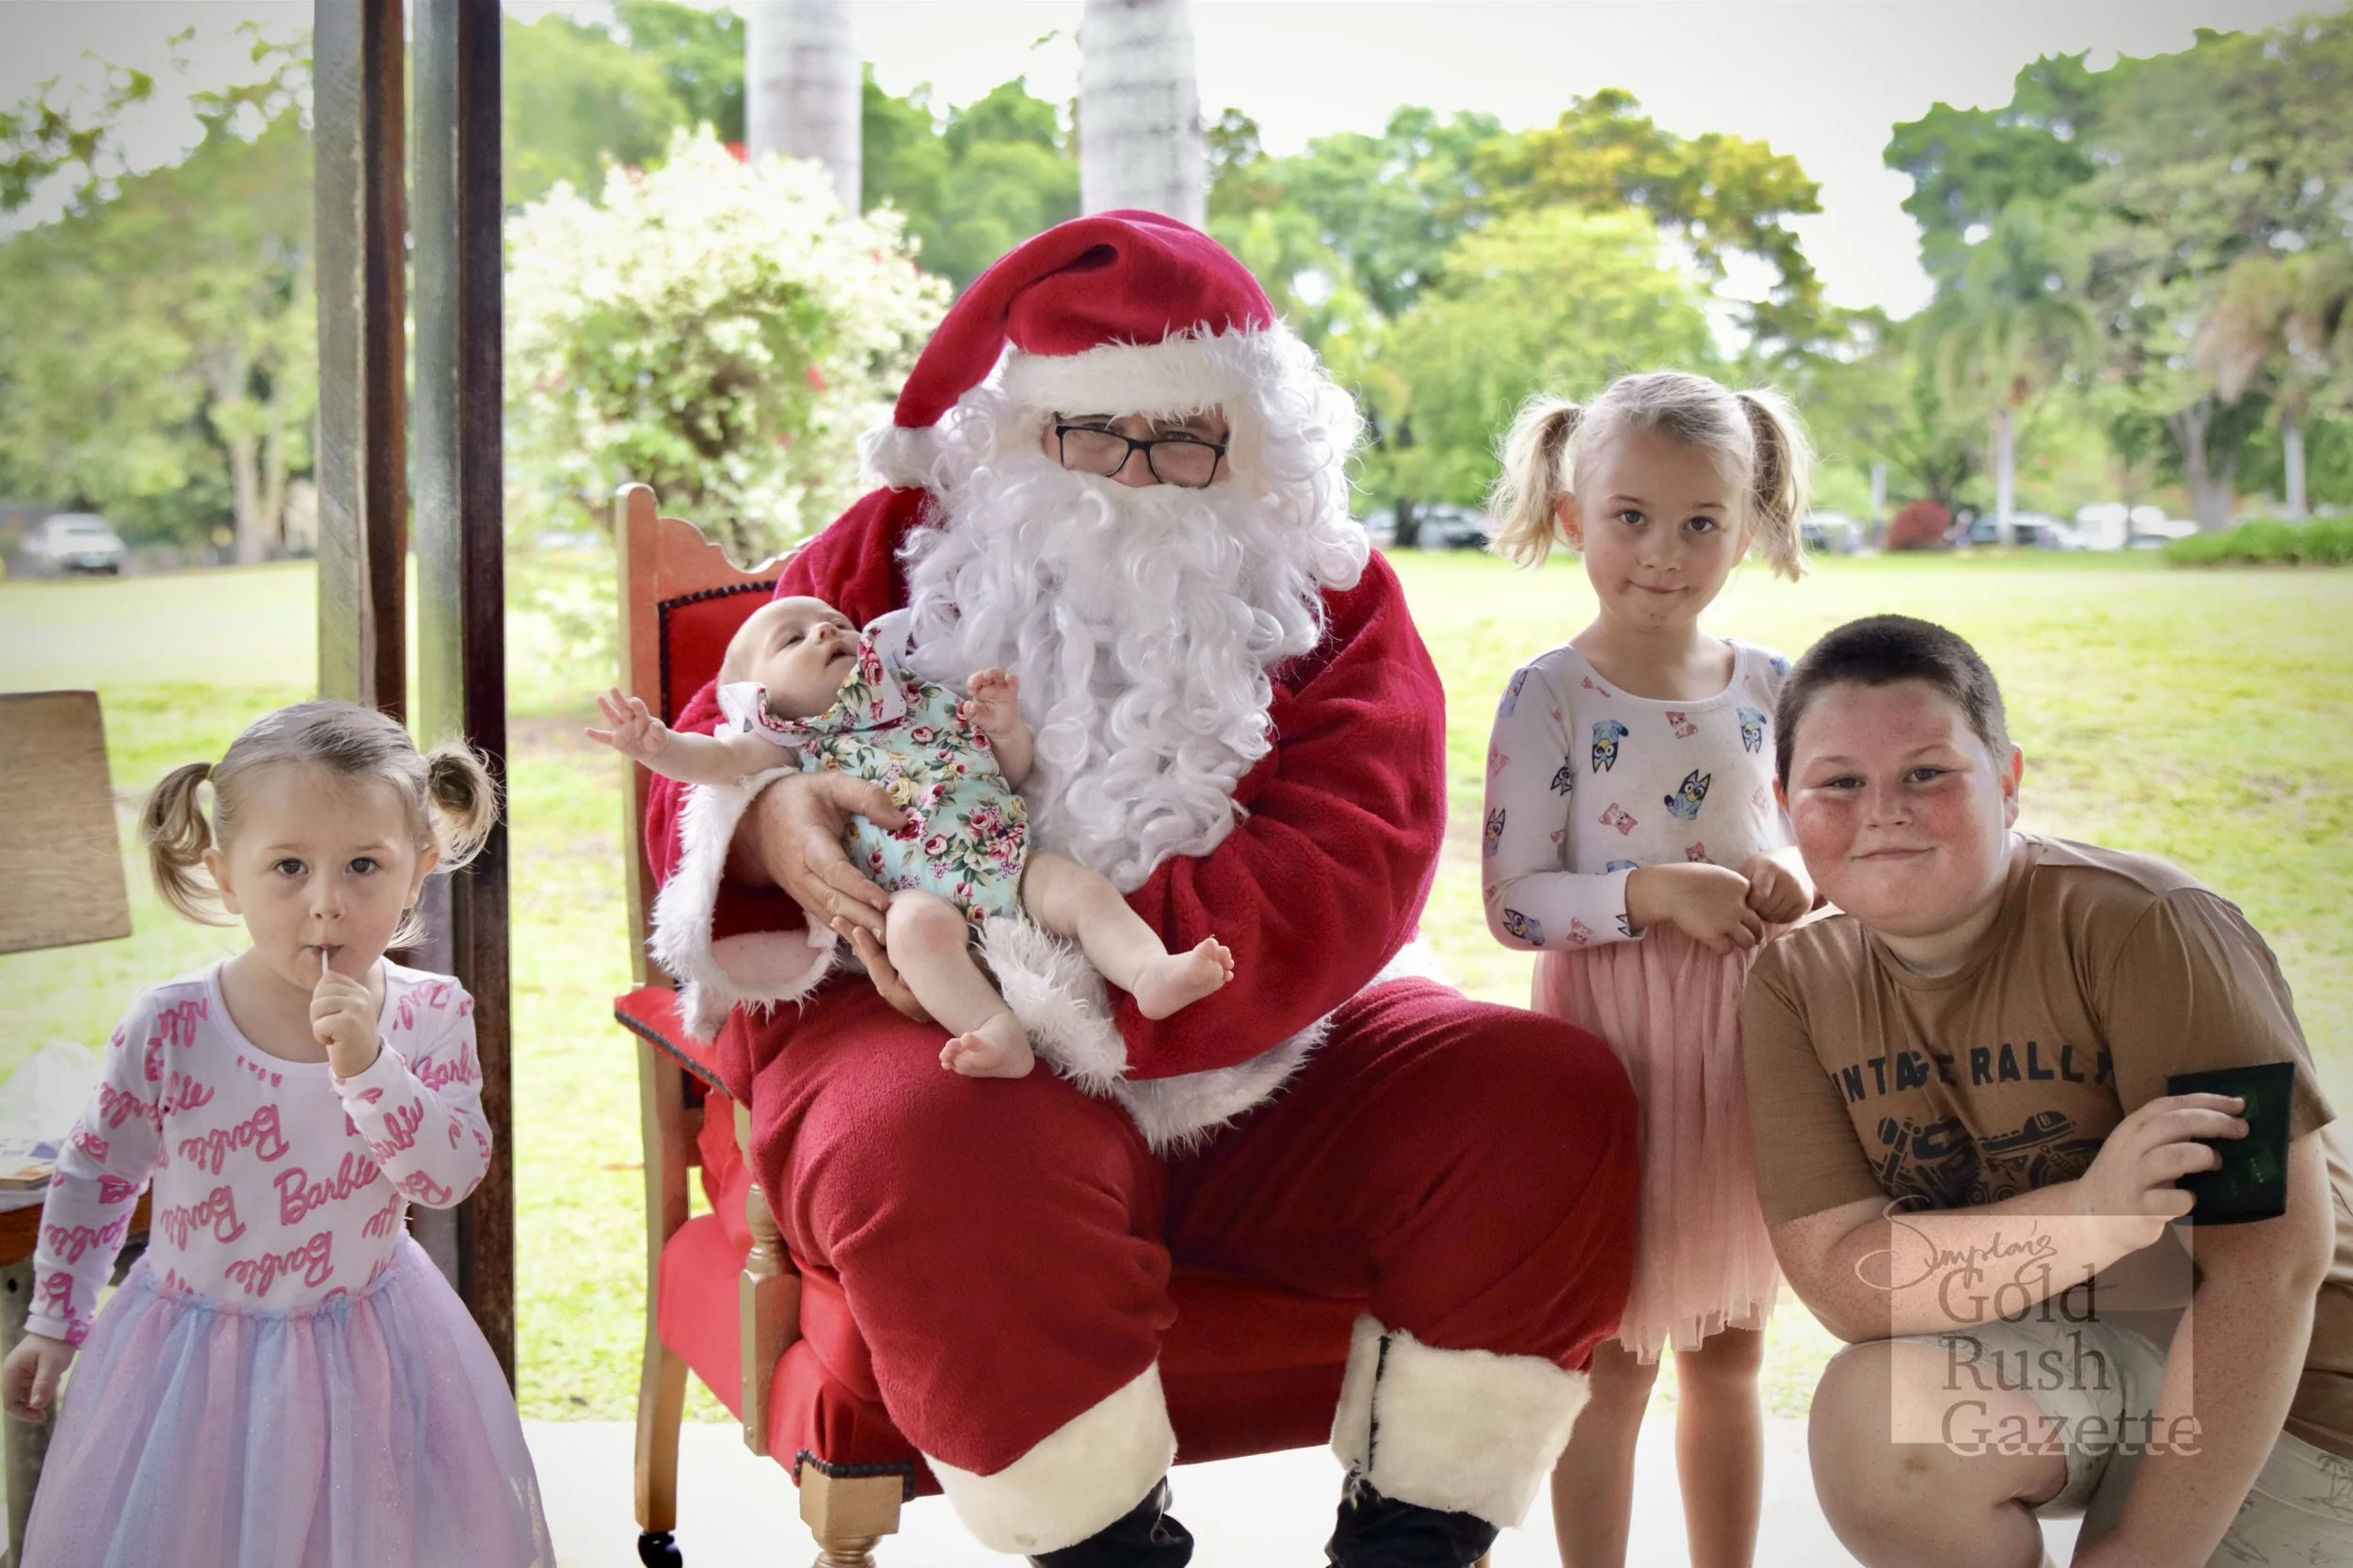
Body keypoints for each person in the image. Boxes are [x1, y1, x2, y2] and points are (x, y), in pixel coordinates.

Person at [640, 211, 1640, 1567]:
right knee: (933, 1148)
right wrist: (766, 823)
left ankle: (1410, 1544)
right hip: (938, 1021)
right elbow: (705, 750)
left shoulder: (1331, 593)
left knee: (1538, 1096)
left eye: (1184, 438)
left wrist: (1113, 984)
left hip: (1248, 1033)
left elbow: (1359, 847)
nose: (1135, 473)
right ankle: (1110, 1552)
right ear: (1017, 431)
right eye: (1091, 433)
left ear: (1257, 444)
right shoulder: (891, 544)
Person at [1742, 614, 2353, 1568]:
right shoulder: (1793, 982)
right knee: (1879, 1427)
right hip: (2080, 1364)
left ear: (2008, 779)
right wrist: (2093, 1216)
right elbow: (1844, 1279)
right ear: (1785, 804)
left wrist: (2136, 1556)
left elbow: (2272, 1269)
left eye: (1927, 773)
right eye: (1841, 782)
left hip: (2286, 1392)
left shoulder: (2152, 926)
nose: (1884, 810)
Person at [0, 701, 553, 1568]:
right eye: (289, 867)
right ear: (227, 878)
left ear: (419, 870)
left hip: (368, 1354)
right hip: (192, 1366)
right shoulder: (174, 1025)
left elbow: (446, 1178)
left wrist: (371, 1067)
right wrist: (54, 1319)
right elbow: (97, 1175)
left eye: (364, 865)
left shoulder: (430, 1013)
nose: (327, 904)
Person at [1480, 371, 1814, 1568]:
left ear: (1748, 525)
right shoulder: (1551, 694)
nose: (1664, 552)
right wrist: (1651, 893)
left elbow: (1814, 838)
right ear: (1574, 516)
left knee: (1729, 1348)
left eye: (1699, 522)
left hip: (1742, 1050)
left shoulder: (1773, 686)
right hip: (1612, 1059)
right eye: (1630, 517)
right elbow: (1514, 901)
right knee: (1612, 1354)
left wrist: (1795, 876)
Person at [585, 594, 1233, 1078]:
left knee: (1085, 893)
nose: (825, 631)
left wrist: (1004, 729)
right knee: (914, 934)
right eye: (793, 640)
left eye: (835, 623)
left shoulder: (924, 699)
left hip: (1007, 860)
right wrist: (658, 746)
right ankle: (994, 1030)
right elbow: (714, 763)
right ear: (758, 697)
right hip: (914, 894)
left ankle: (1149, 971)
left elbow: (1006, 773)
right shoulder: (789, 740)